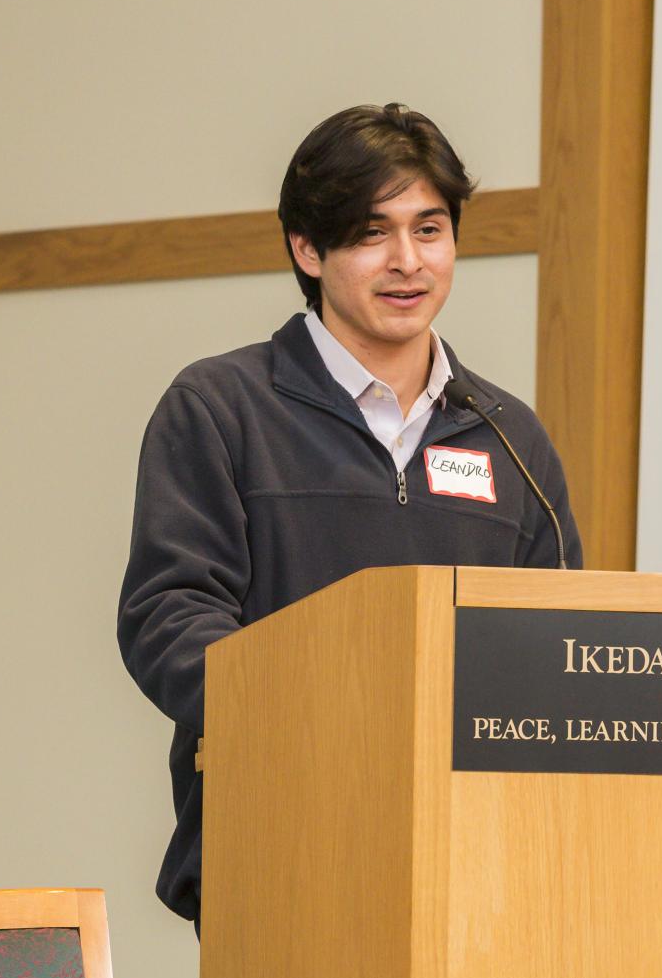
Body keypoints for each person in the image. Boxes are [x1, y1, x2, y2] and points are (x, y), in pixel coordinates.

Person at [118, 102, 582, 928]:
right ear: (307, 248)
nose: (408, 261)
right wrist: (333, 715)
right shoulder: (222, 409)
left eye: (429, 229)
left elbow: (556, 644)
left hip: (477, 872)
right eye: (373, 233)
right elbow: (168, 615)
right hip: (280, 853)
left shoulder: (511, 440)